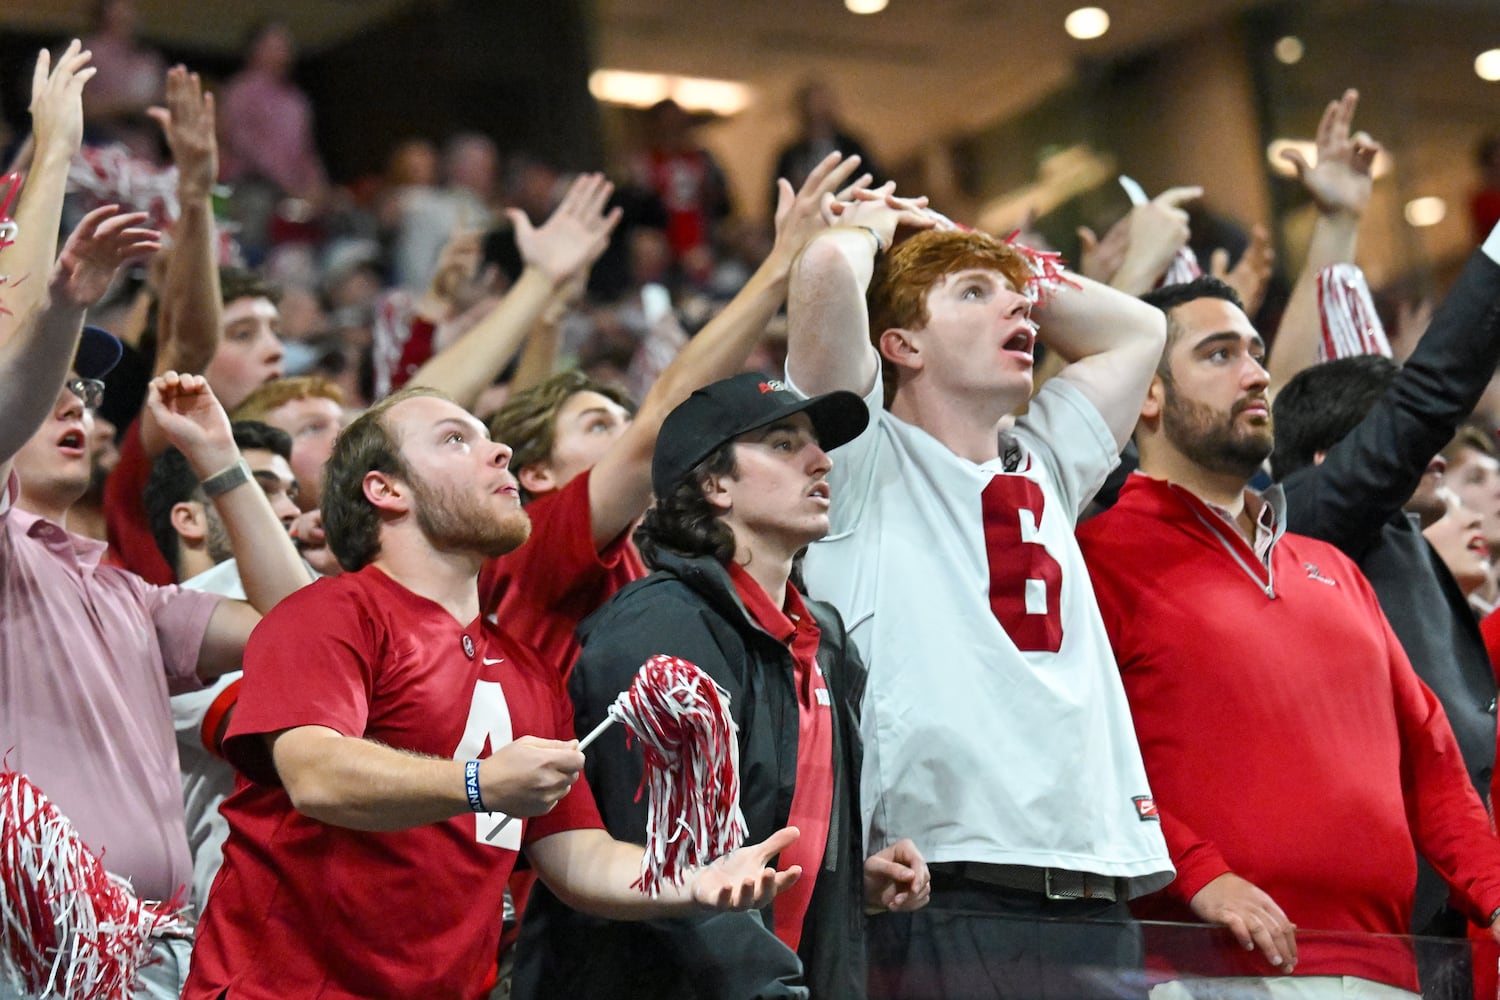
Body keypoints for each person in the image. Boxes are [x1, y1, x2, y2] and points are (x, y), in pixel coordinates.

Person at [183, 386, 805, 999]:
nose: (499, 451)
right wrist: (480, 783)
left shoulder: (527, 670)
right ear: (386, 489)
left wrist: (691, 880)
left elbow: (574, 856)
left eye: (490, 436)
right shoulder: (327, 613)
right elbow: (315, 773)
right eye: (456, 439)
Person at [784, 185, 1173, 1000]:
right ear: (900, 345)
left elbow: (1141, 329)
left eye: (1021, 299)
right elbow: (823, 266)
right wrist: (885, 230)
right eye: (974, 296)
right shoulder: (856, 463)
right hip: (944, 886)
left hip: (1099, 882)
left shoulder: (1045, 460)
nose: (1020, 308)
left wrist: (981, 255)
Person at [1076, 276, 1500, 997]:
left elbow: (1430, 758)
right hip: (1206, 968)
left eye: (1257, 352)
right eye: (1218, 354)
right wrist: (1198, 871)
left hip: (1391, 969)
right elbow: (1077, 754)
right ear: (1147, 394)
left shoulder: (1330, 565)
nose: (1256, 373)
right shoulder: (1096, 557)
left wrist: (1492, 890)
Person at [1, 43, 309, 1000]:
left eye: (85, 393)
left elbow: (302, 637)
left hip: (153, 957)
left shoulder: (127, 591)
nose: (75, 406)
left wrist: (222, 464)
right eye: (56, 388)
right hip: (29, 952)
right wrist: (54, 166)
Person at [513, 373, 931, 999]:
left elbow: (774, 826)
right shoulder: (659, 629)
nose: (821, 460)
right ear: (715, 484)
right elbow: (671, 868)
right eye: (784, 444)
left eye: (815, 444)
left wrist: (842, 882)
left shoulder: (824, 637)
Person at [482, 152, 868, 678]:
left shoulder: (672, 551)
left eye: (623, 419)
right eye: (598, 426)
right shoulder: (538, 544)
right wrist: (781, 266)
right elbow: (653, 429)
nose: (626, 434)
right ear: (536, 475)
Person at [140, 420, 299, 917]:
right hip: (243, 914)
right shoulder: (167, 626)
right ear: (188, 519)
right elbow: (296, 742)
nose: (292, 510)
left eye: (293, 493)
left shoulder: (324, 590)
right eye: (260, 489)